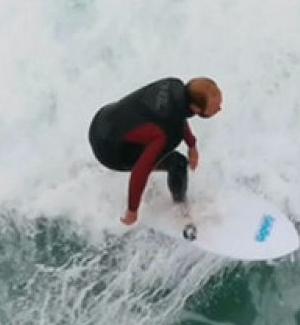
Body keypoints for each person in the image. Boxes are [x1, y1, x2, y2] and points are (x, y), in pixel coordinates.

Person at [88, 77, 223, 225]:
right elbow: (140, 170)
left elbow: (177, 115)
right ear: (196, 108)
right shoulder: (164, 134)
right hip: (108, 151)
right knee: (177, 164)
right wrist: (132, 211)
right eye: (215, 106)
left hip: (101, 120)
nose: (219, 108)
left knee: (150, 131)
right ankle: (181, 210)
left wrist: (192, 145)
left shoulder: (173, 86)